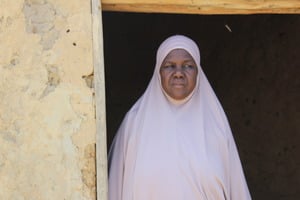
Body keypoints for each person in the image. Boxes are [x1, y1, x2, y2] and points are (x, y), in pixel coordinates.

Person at [108, 35, 251, 200]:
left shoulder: (216, 125)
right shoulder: (135, 123)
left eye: (188, 66)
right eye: (169, 66)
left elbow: (236, 189)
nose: (178, 73)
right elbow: (115, 188)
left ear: (198, 73)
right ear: (158, 73)